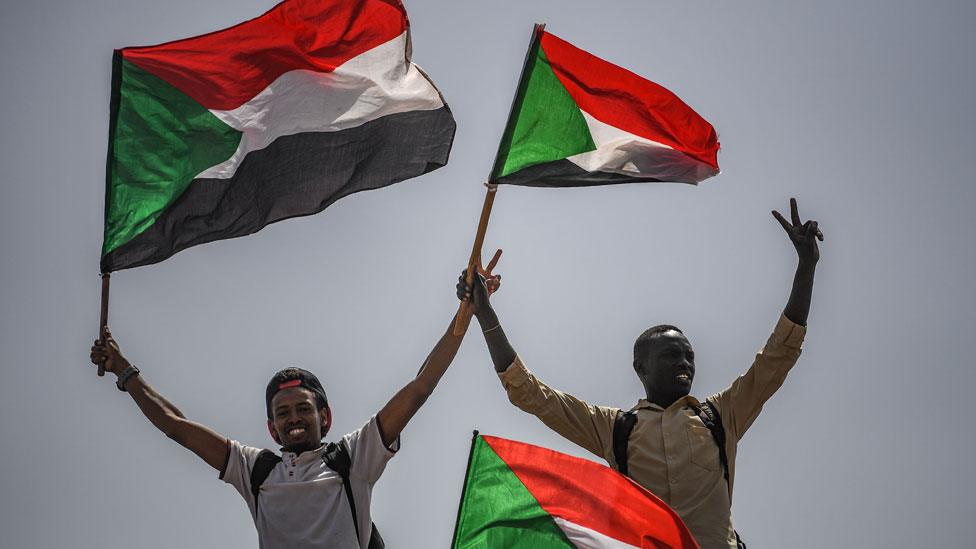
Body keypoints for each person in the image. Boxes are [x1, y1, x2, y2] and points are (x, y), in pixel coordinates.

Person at [458, 198, 822, 549]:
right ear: (640, 367)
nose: (685, 364)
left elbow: (778, 355)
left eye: (689, 357)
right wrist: (484, 311)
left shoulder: (721, 416)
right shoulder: (615, 428)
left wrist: (806, 267)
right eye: (671, 356)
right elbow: (530, 393)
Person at [89, 274, 499, 549]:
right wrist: (124, 371)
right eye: (283, 414)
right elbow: (175, 426)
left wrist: (464, 314)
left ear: (326, 417)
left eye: (303, 408)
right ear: (271, 428)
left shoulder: (352, 458)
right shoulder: (255, 471)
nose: (294, 418)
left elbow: (420, 386)